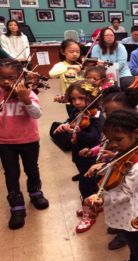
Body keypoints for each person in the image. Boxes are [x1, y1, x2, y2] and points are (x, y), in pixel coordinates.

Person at [85, 110, 138, 261]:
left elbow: (125, 192)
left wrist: (103, 199)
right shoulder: (134, 147)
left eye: (118, 139)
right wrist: (103, 165)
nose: (114, 144)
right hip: (128, 207)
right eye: (110, 140)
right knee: (132, 242)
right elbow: (119, 163)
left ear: (137, 133)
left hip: (133, 211)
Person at [0, 58, 49, 230]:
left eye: (11, 77)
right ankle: (16, 205)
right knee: (11, 173)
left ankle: (36, 193)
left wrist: (26, 100)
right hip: (5, 142)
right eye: (2, 78)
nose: (6, 82)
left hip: (29, 140)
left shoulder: (28, 93)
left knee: (32, 168)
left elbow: (37, 115)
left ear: (21, 76)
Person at [53, 81, 104, 233]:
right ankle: (95, 204)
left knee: (85, 185)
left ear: (92, 97)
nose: (77, 102)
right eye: (73, 99)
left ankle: (90, 214)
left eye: (81, 98)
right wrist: (64, 125)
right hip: (79, 156)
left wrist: (74, 131)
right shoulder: (78, 112)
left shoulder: (97, 117)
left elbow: (93, 138)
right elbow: (72, 121)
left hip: (90, 157)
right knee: (91, 184)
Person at [49, 39, 83, 118]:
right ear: (63, 52)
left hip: (83, 99)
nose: (75, 54)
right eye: (71, 52)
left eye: (77, 52)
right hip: (70, 101)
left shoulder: (82, 65)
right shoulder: (61, 65)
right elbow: (52, 74)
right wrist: (69, 67)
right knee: (74, 120)